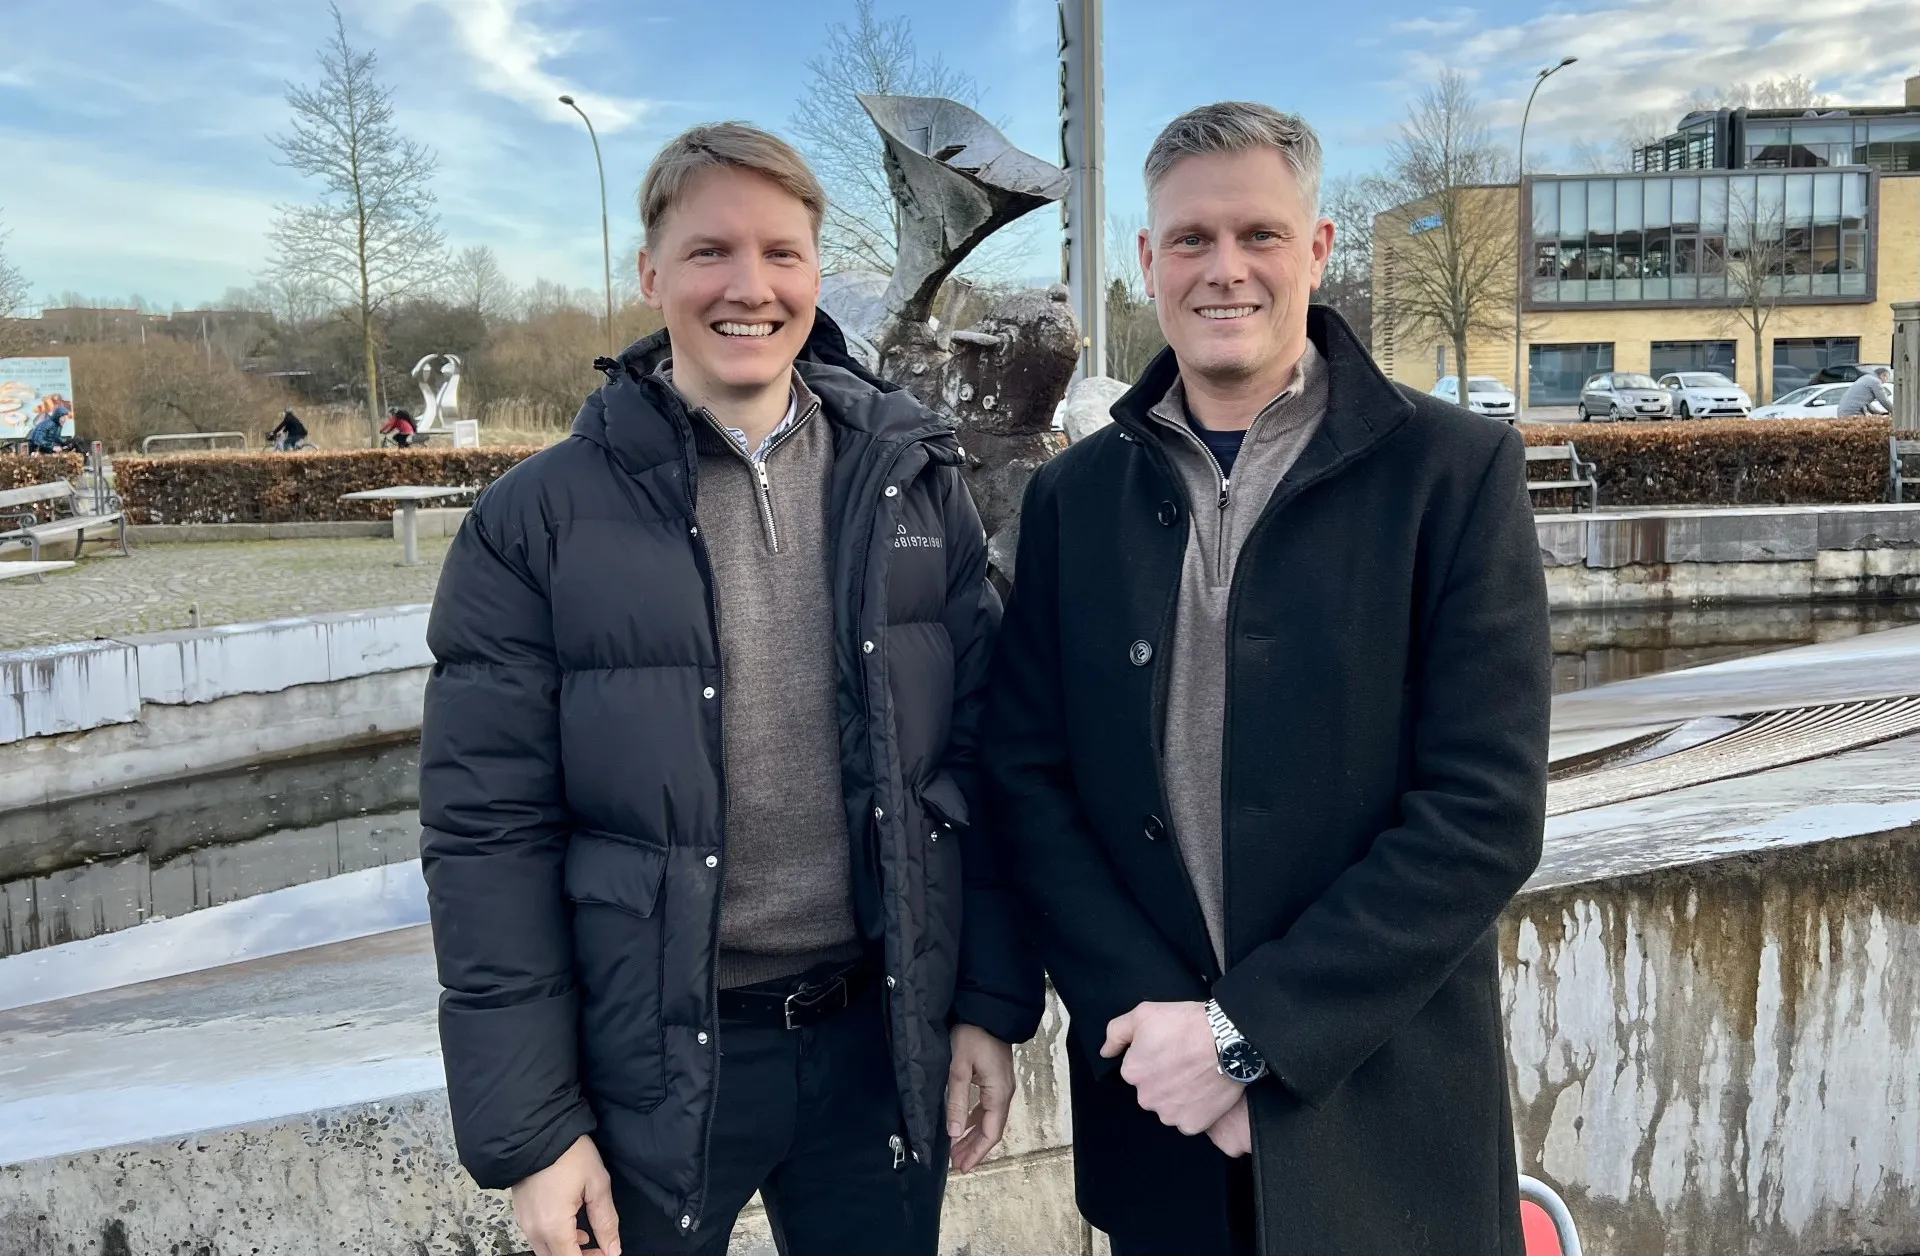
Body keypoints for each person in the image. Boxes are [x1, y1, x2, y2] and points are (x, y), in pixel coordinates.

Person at [420, 122, 1041, 1256]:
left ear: (815, 274)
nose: (749, 287)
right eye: (710, 251)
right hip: (648, 1065)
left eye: (781, 253)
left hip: (875, 1041)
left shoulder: (911, 483)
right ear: (650, 274)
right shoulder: (532, 524)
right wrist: (536, 1130)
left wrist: (986, 1005)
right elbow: (487, 837)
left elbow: (978, 762)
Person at [983, 101, 1551, 1256]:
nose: (1224, 268)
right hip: (1158, 1117)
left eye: (1260, 234)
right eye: (1191, 238)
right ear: (1148, 258)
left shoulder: (1453, 473)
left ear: (1318, 249)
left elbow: (1484, 812)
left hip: (1382, 1123)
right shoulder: (1072, 499)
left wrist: (1252, 1035)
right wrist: (1159, 1031)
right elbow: (1029, 780)